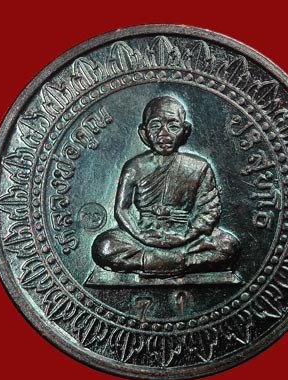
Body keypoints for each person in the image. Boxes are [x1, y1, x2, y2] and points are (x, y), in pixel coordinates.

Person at [92, 96, 240, 277]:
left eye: (173, 126)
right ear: (144, 132)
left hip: (187, 237)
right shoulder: (135, 167)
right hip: (143, 235)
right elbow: (122, 209)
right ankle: (180, 262)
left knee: (227, 246)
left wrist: (186, 235)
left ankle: (152, 262)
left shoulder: (199, 167)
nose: (164, 134)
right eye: (155, 126)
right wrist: (140, 235)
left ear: (185, 131)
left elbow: (208, 211)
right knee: (105, 247)